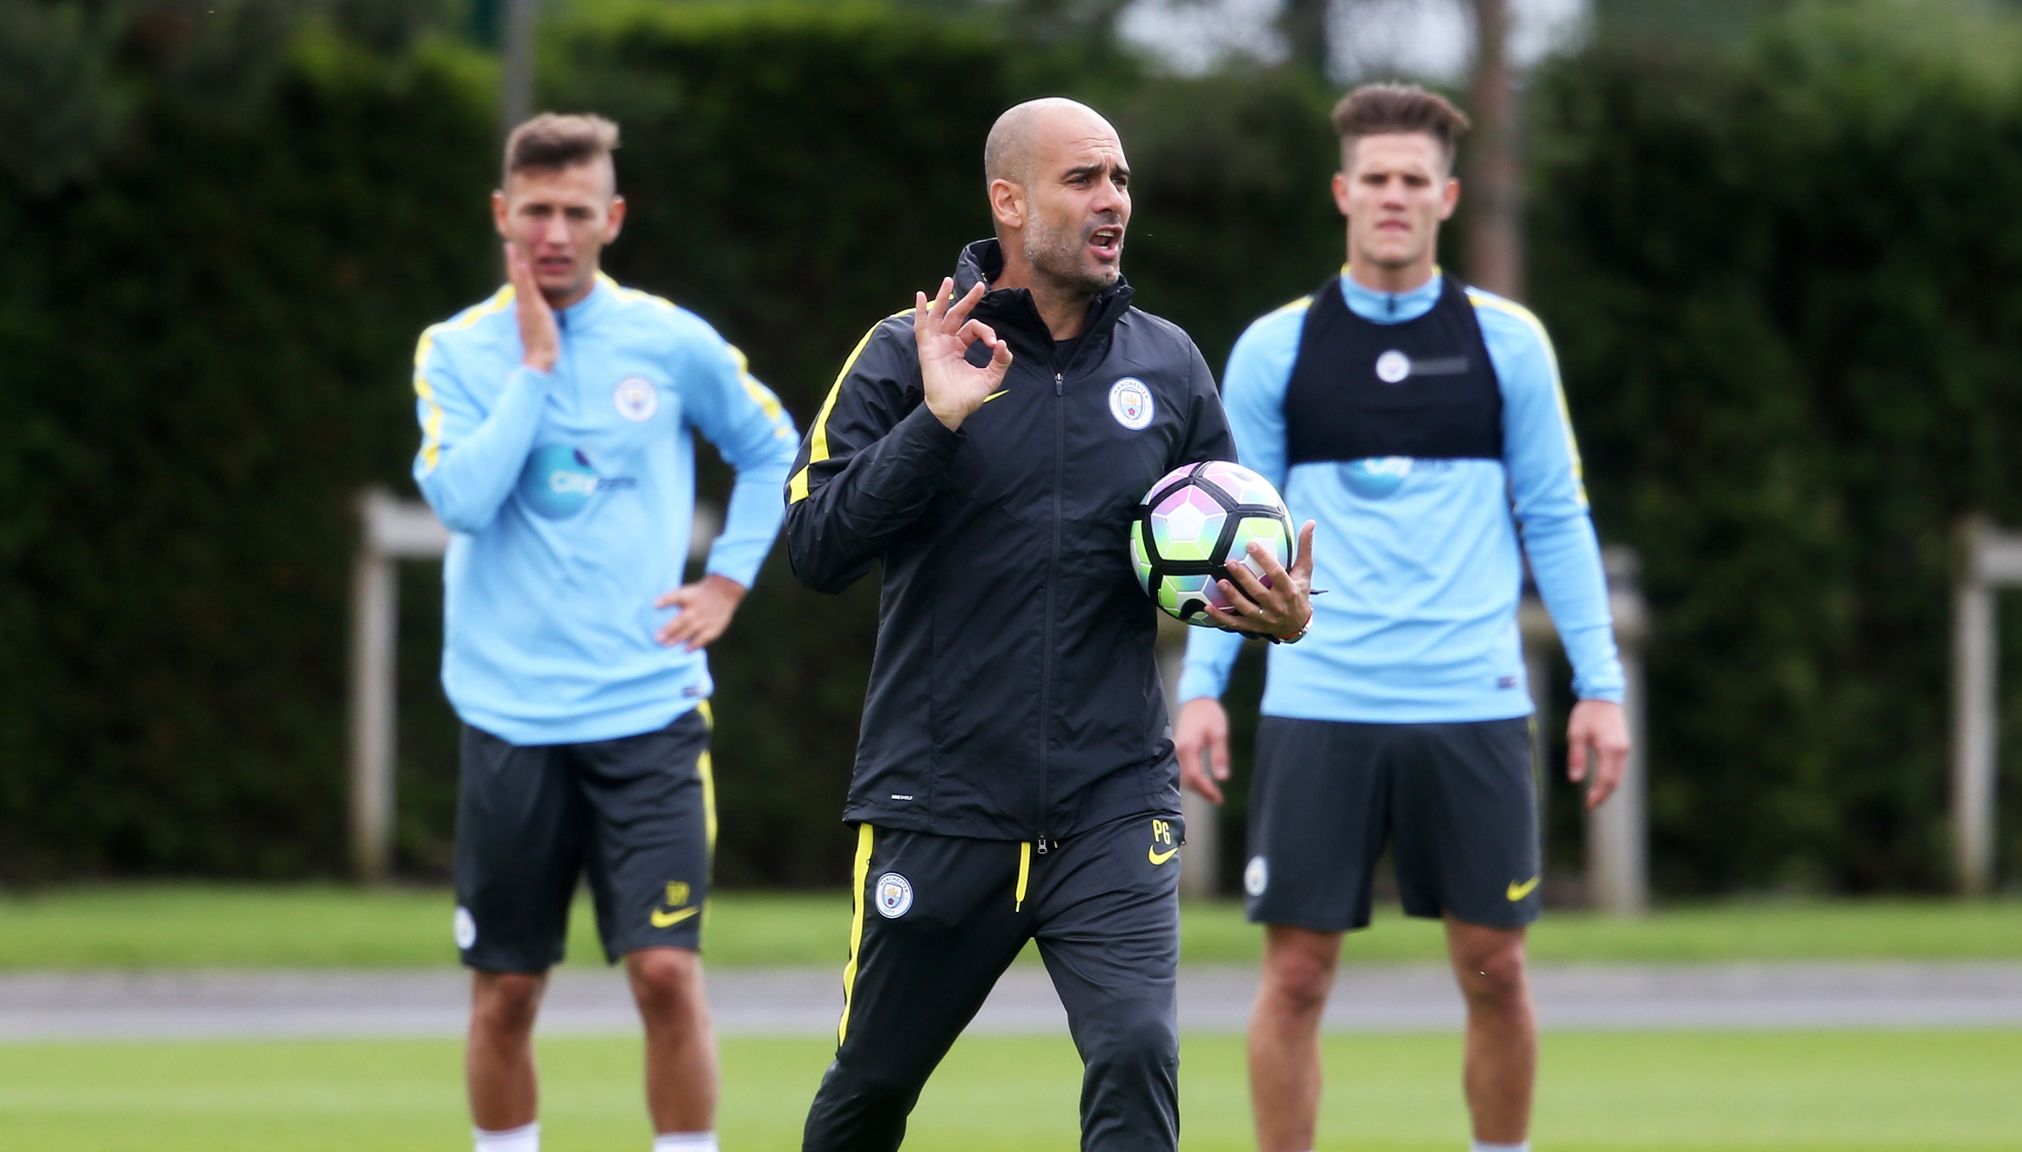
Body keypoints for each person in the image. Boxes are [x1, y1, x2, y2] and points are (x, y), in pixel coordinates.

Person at [783, 97, 1316, 1150]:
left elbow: (1217, 562)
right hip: (937, 802)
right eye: (1083, 179)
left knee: (1133, 1054)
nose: (1113, 199)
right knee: (869, 1092)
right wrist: (934, 422)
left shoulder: (1166, 365)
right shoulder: (905, 352)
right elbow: (816, 549)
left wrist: (1274, 617)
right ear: (1009, 201)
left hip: (1111, 800)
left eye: (1118, 178)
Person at [1174, 83, 1632, 1152]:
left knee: (1495, 969)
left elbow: (1555, 520)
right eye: (1372, 178)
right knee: (1293, 976)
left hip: (1468, 706)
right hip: (1318, 704)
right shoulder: (1276, 349)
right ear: (1341, 191)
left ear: (1445, 196)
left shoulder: (1505, 342)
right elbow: (1235, 540)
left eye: (1411, 181)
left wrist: (1598, 686)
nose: (1391, 196)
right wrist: (1201, 691)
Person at [410, 112, 798, 1152]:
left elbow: (774, 451)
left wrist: (727, 582)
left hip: (647, 710)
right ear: (502, 214)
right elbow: (460, 500)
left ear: (610, 218)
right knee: (505, 995)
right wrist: (534, 370)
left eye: (574, 212)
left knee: (666, 974)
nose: (552, 232)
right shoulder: (455, 351)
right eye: (532, 210)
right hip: (509, 716)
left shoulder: (668, 342)